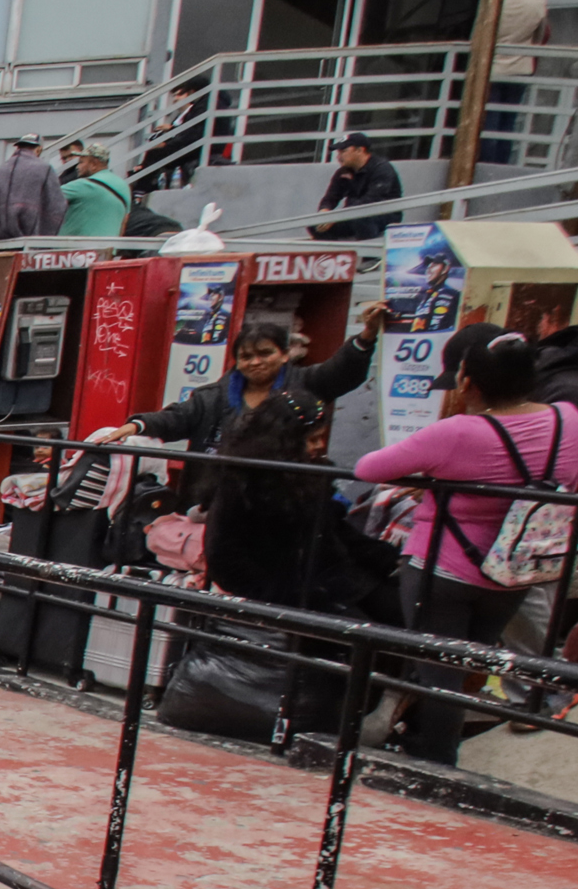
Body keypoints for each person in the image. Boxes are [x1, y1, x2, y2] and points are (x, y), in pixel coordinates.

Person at [354, 324, 578, 765]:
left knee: (441, 674)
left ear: (466, 381)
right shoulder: (567, 420)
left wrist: (433, 480)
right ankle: (425, 741)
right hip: (515, 572)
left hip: (444, 569)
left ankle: (437, 764)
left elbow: (368, 467)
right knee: (469, 659)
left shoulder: (457, 433)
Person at [200, 394, 398, 625]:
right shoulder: (242, 482)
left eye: (321, 438)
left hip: (332, 576)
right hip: (287, 592)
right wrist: (278, 596)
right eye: (312, 439)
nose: (320, 446)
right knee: (371, 641)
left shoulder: (311, 472)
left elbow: (332, 529)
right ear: (284, 441)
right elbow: (223, 557)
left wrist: (385, 558)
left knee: (400, 619)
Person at [92, 306, 388, 453]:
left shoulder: (305, 385)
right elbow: (178, 417)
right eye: (247, 357)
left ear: (285, 355)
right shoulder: (215, 396)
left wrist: (366, 336)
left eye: (265, 353)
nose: (255, 362)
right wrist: (133, 426)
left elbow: (342, 372)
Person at [487, 0, 552, 165]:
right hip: (521, 68)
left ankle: (485, 161)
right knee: (509, 121)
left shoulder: (494, 3)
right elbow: (542, 36)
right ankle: (501, 162)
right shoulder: (537, 6)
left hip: (493, 67)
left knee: (489, 120)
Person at [309, 132, 406, 241]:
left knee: (362, 220)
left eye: (343, 151)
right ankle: (334, 255)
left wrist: (337, 216)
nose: (339, 156)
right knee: (315, 225)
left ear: (360, 150)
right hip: (351, 215)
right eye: (338, 152)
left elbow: (372, 200)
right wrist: (324, 211)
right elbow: (331, 197)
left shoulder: (382, 168)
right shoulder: (343, 172)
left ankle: (367, 256)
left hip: (383, 215)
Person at [0, 134, 63, 241]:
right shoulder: (44, 169)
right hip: (30, 242)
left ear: (18, 147)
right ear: (38, 149)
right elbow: (56, 207)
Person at [58, 144, 133, 236]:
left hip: (79, 249)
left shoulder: (85, 185)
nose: (77, 167)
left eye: (81, 162)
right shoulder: (124, 186)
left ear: (94, 164)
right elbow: (124, 222)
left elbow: (48, 195)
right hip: (108, 248)